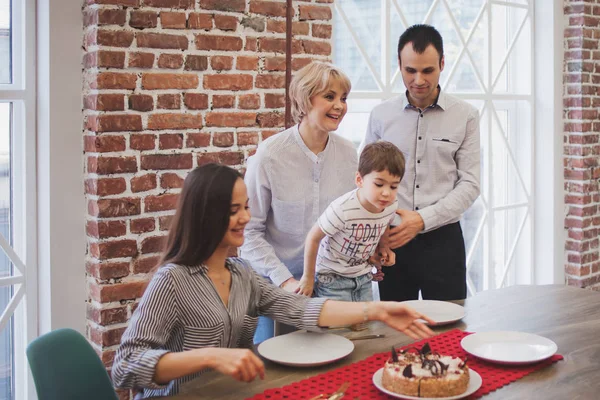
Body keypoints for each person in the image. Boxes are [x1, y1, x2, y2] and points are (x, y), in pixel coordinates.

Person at [111, 163, 435, 398]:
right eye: (233, 210)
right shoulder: (172, 281)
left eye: (246, 207)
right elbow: (124, 367)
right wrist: (210, 356)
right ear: (204, 215)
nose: (246, 218)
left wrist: (376, 311)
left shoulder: (242, 274)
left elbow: (302, 309)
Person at [361, 24, 480, 302]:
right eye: (410, 70)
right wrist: (374, 239)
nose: (418, 80)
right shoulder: (381, 116)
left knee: (449, 328)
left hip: (444, 241)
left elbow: (470, 185)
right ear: (399, 66)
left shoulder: (466, 116)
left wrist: (422, 220)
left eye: (427, 70)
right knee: (395, 333)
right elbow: (366, 183)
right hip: (391, 241)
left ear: (441, 64)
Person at [241, 62, 358, 343]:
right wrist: (285, 280)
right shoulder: (270, 155)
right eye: (329, 97)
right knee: (276, 372)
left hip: (335, 285)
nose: (339, 106)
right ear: (305, 101)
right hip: (276, 288)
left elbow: (348, 220)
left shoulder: (349, 153)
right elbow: (248, 234)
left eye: (343, 98)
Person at [296, 141, 406, 304]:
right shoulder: (343, 209)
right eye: (379, 184)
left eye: (393, 186)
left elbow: (384, 225)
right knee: (337, 328)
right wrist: (308, 277)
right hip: (332, 278)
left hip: (363, 276)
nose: (386, 193)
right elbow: (313, 237)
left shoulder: (390, 205)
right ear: (359, 180)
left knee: (364, 326)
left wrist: (383, 248)